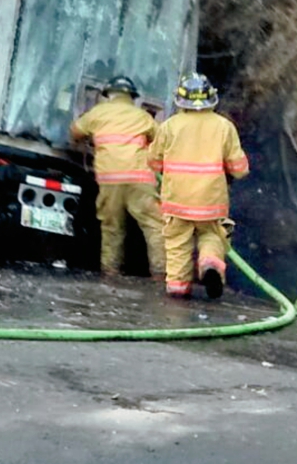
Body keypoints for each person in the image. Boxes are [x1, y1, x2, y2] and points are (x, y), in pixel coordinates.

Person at [148, 73, 249, 299]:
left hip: (177, 202)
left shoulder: (169, 127)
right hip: (211, 203)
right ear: (211, 98)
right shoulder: (224, 127)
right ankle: (210, 263)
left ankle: (177, 289)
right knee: (212, 236)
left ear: (180, 100)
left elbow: (153, 162)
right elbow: (239, 169)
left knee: (177, 244)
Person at [70, 75, 166, 280]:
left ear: (108, 95)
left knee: (112, 226)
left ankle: (111, 272)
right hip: (140, 179)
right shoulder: (142, 117)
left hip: (109, 180)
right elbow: (162, 141)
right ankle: (160, 274)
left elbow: (75, 132)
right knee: (154, 225)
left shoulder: (97, 113)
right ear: (131, 97)